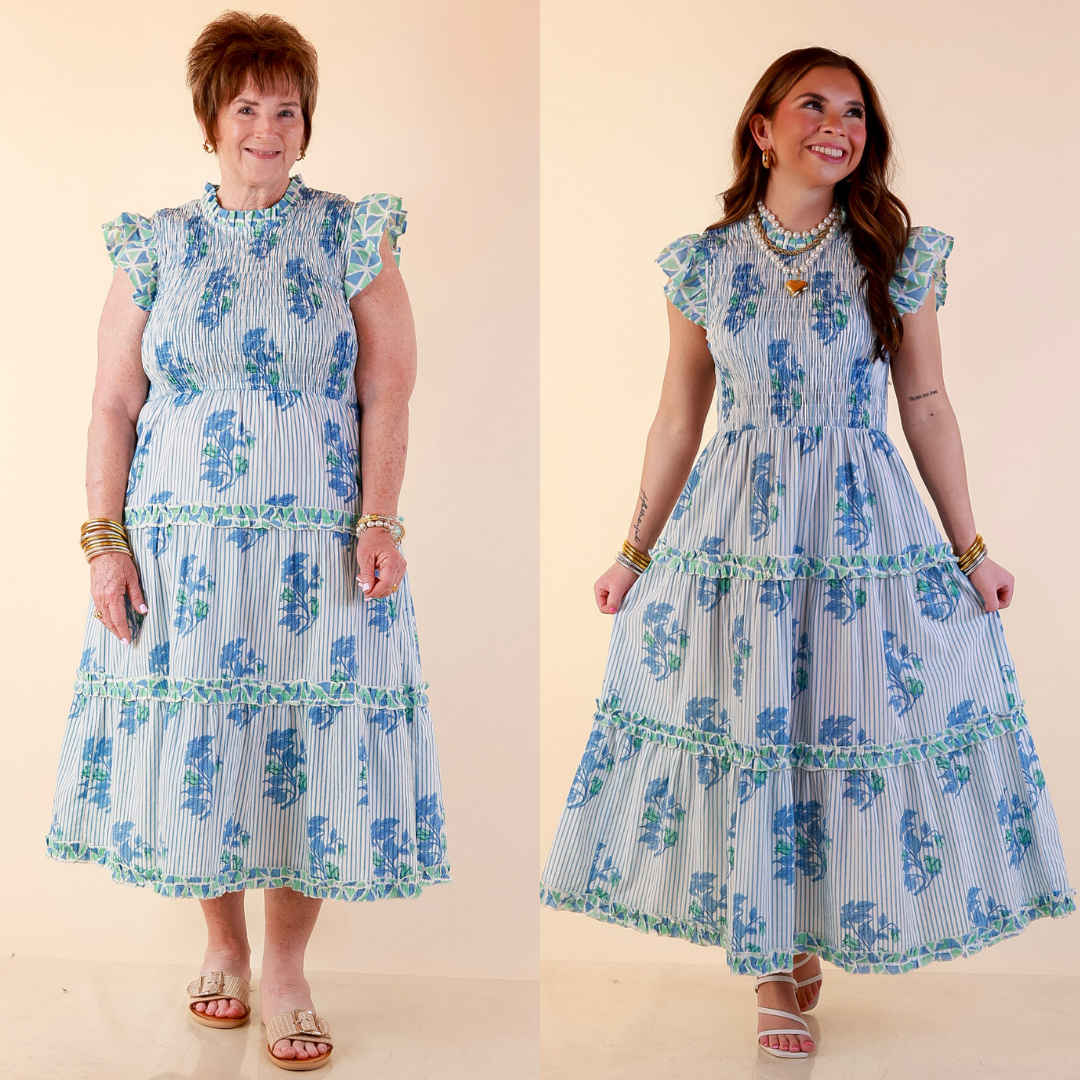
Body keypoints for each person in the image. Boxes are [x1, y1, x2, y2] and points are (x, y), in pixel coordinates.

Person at [539, 46, 1075, 1059]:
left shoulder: (892, 253)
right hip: (736, 532)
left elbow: (926, 402)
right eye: (814, 105)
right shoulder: (702, 264)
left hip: (860, 526)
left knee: (844, 725)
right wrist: (632, 549)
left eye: (857, 114)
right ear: (762, 128)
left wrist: (972, 548)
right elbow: (675, 417)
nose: (838, 125)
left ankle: (809, 921)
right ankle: (772, 965)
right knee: (756, 735)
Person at [45, 11, 449, 1070]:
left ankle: (283, 968)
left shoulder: (351, 231)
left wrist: (379, 519)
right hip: (184, 555)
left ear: (306, 124)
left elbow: (387, 385)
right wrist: (105, 540)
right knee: (211, 748)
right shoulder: (155, 244)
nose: (266, 128)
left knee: (308, 752)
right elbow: (113, 403)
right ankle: (220, 949)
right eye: (246, 108)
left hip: (318, 550)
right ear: (210, 119)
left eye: (286, 109)